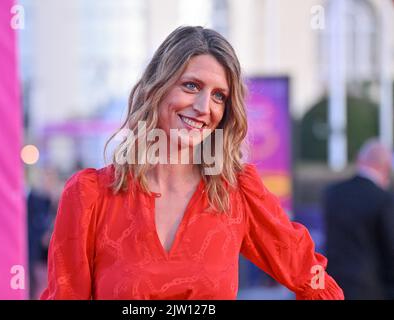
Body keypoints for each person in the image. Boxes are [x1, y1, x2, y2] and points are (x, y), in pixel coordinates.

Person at [41, 26, 343, 300]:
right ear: (155, 89)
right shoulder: (89, 195)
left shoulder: (236, 193)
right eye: (191, 86)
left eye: (219, 96)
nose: (203, 108)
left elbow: (315, 283)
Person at [323, 139, 394, 299]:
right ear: (385, 167)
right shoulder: (383, 199)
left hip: (332, 283)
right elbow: (389, 249)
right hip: (369, 288)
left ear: (359, 160)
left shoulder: (332, 193)